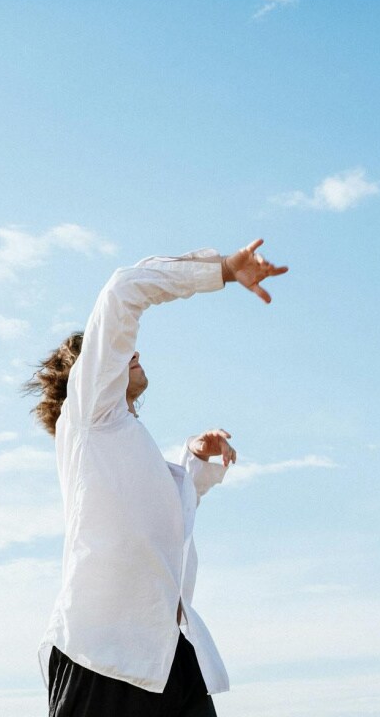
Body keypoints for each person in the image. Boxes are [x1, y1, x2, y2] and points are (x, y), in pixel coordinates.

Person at [25, 239, 288, 717]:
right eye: (115, 350)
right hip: (103, 655)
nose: (130, 350)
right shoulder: (89, 415)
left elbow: (163, 520)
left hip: (166, 653)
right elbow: (123, 289)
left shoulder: (123, 440)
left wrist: (193, 459)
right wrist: (223, 270)